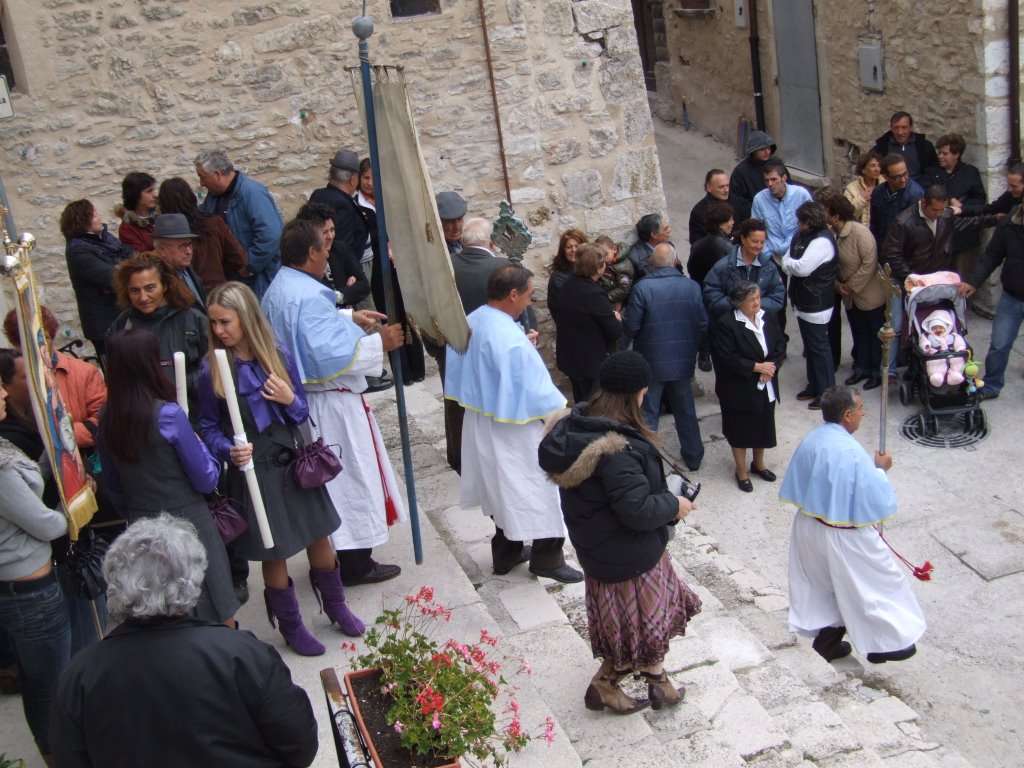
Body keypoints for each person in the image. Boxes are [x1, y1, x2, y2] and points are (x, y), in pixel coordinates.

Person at [51, 514, 318, 768]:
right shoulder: (243, 653)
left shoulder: (79, 675)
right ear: (192, 579)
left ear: (114, 579)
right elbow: (301, 747)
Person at [198, 282, 363, 654]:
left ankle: (336, 607)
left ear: (247, 317)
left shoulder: (278, 355)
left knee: (319, 534)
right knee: (275, 552)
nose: (219, 331)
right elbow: (206, 427)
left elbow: (302, 413)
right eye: (214, 324)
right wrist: (228, 449)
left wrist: (289, 398)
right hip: (254, 472)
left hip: (294, 464)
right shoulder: (211, 372)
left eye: (225, 321)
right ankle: (291, 627)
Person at [538, 351, 701, 713]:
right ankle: (633, 684)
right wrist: (676, 506)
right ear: (634, 394)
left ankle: (628, 687)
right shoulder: (617, 450)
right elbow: (638, 511)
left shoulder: (580, 425)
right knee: (645, 625)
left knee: (625, 627)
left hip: (599, 548)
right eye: (643, 392)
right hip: (628, 553)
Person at [262, 219, 405, 587]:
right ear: (310, 253)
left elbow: (302, 329)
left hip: (311, 402)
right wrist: (380, 344)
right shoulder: (307, 295)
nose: (329, 253)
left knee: (332, 483)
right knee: (348, 479)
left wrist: (348, 317)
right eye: (324, 247)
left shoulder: (281, 286)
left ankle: (338, 556)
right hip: (330, 404)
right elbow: (325, 355)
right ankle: (355, 562)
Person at [445, 263, 582, 583]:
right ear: (512, 294)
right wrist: (562, 418)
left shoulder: (473, 319)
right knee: (540, 489)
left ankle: (506, 553)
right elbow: (536, 391)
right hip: (516, 430)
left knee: (500, 490)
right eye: (529, 296)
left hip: (483, 422)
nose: (530, 303)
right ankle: (547, 558)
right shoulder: (511, 339)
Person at [99, 329, 238, 625]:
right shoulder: (168, 415)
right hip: (189, 520)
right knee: (215, 603)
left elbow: (112, 482)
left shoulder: (106, 415)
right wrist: (202, 447)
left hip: (140, 525)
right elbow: (206, 479)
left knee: (161, 611)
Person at [781, 386, 926, 664]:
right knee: (876, 585)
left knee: (829, 588)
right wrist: (881, 469)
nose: (863, 413)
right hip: (843, 536)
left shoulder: (813, 438)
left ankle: (829, 644)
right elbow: (874, 499)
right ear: (847, 415)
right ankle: (887, 645)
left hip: (809, 528)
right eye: (860, 409)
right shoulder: (849, 451)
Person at [0, 363, 71, 763]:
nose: (5, 394)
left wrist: (57, 446)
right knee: (47, 683)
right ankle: (56, 754)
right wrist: (74, 508)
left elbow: (35, 477)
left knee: (42, 678)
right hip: (27, 588)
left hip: (25, 583)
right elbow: (44, 524)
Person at [881, 185, 997, 379]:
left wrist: (995, 220)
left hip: (933, 278)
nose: (939, 214)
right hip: (906, 279)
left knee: (935, 319)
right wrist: (912, 277)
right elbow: (891, 254)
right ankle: (889, 371)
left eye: (942, 210)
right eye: (934, 210)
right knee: (895, 326)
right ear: (923, 203)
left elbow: (966, 223)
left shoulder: (945, 215)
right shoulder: (903, 222)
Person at [623, 243, 708, 471]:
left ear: (652, 263)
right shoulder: (691, 287)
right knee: (685, 410)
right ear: (675, 260)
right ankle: (694, 456)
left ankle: (647, 460)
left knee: (648, 415)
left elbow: (631, 326)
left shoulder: (642, 288)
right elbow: (702, 323)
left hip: (650, 362)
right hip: (682, 360)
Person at [442, 217, 511, 474]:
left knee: (457, 401)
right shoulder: (502, 267)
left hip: (456, 344)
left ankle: (459, 458)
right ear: (490, 241)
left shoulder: (446, 266)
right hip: (494, 344)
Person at [109, 252, 208, 418]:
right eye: (135, 290)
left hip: (192, 415)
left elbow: (214, 370)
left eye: (150, 288)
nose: (143, 297)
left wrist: (183, 383)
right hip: (143, 418)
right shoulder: (123, 324)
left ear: (165, 285)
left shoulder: (193, 320)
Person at [712, 281, 784, 492]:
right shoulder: (727, 324)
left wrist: (770, 368)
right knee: (740, 429)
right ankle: (741, 470)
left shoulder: (768, 316)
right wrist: (756, 367)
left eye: (758, 298)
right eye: (751, 299)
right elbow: (727, 357)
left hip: (766, 382)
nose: (756, 302)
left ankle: (758, 464)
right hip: (739, 386)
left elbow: (780, 344)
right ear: (739, 302)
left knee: (763, 424)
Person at [195, 148, 283, 299]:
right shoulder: (213, 198)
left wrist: (248, 264)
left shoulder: (252, 193)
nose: (201, 183)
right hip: (235, 279)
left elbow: (271, 235)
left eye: (203, 177)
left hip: (256, 280)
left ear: (217, 174)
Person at [821, 194, 887, 390]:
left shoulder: (860, 233)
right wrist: (837, 285)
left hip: (869, 294)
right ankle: (862, 367)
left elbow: (869, 263)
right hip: (850, 296)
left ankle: (877, 371)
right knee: (859, 332)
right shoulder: (831, 233)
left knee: (875, 334)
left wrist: (849, 286)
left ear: (835, 215)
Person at [959, 205, 1024, 400]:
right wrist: (973, 281)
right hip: (1012, 296)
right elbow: (992, 255)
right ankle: (991, 386)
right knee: (999, 343)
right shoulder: (1010, 223)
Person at [61, 199, 134, 361]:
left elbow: (132, 255)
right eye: (94, 215)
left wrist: (123, 266)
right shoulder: (78, 251)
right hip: (105, 325)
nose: (100, 216)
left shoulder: (106, 239)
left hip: (122, 315)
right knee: (118, 371)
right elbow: (113, 277)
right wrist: (123, 269)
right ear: (82, 221)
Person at [781, 202, 838, 410]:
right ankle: (814, 385)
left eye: (800, 221)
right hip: (803, 299)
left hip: (817, 302)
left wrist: (790, 265)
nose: (797, 224)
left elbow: (802, 268)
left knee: (819, 348)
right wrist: (791, 265)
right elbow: (788, 259)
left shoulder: (822, 241)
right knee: (811, 347)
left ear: (809, 222)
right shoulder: (801, 236)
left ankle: (827, 393)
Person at [555, 243, 623, 403]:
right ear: (599, 267)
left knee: (583, 406)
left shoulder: (569, 284)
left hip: (573, 359)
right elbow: (614, 331)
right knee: (594, 412)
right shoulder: (593, 293)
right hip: (590, 364)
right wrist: (616, 318)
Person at [158, 176, 248, 293]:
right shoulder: (214, 223)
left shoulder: (169, 236)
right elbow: (238, 259)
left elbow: (238, 259)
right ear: (191, 198)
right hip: (218, 292)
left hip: (189, 296)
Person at [923, 133, 988, 277]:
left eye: (945, 153)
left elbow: (979, 198)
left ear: (956, 154)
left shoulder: (970, 172)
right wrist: (950, 199)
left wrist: (961, 208)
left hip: (962, 232)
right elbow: (927, 192)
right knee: (938, 277)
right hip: (937, 234)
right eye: (939, 153)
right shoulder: (931, 173)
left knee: (961, 276)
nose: (940, 156)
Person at [702, 219, 786, 323]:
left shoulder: (769, 268)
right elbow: (711, 295)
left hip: (760, 325)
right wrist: (739, 305)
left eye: (762, 242)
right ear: (743, 239)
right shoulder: (722, 267)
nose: (759, 246)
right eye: (755, 241)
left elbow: (777, 298)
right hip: (731, 326)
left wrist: (753, 305)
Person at [294, 202, 371, 310]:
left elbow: (364, 285)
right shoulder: (304, 259)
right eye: (324, 232)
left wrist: (340, 295)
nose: (330, 236)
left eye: (332, 230)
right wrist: (347, 291)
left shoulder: (340, 248)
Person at [687, 201, 734, 372]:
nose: (732, 223)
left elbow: (691, 267)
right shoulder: (727, 247)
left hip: (701, 289)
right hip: (720, 294)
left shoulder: (698, 245)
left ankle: (705, 353)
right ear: (721, 223)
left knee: (705, 323)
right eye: (730, 219)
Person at [152, 212, 208, 310]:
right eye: (182, 246)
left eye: (190, 244)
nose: (189, 251)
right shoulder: (157, 281)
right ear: (162, 250)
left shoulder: (187, 270)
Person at [869, 154, 924, 248]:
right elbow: (874, 223)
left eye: (905, 174)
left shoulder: (915, 194)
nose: (903, 180)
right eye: (897, 177)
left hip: (903, 250)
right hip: (881, 245)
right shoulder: (878, 192)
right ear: (886, 177)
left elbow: (916, 232)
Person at [873, 111, 939, 185]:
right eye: (896, 128)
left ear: (910, 128)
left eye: (904, 127)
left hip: (919, 189)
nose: (900, 132)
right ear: (891, 128)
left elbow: (934, 170)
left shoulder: (924, 147)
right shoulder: (881, 148)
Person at [688, 169, 749, 243]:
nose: (726, 190)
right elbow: (697, 242)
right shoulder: (698, 212)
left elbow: (747, 228)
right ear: (709, 188)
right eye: (721, 187)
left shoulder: (738, 203)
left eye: (727, 185)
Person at [546, 228, 588, 324]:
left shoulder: (591, 269)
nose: (574, 250)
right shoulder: (558, 278)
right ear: (563, 251)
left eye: (577, 246)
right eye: (569, 247)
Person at [918, 309, 967, 386]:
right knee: (934, 363)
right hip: (936, 355)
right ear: (930, 329)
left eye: (941, 327)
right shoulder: (928, 336)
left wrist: (960, 348)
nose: (938, 330)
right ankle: (937, 376)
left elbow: (959, 341)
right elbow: (923, 341)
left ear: (946, 328)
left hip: (952, 354)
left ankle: (955, 375)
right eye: (934, 328)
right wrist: (926, 345)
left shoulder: (952, 336)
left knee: (958, 360)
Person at [730, 130, 777, 206]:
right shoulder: (741, 172)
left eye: (768, 148)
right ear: (754, 151)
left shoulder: (776, 163)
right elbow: (736, 199)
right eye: (762, 149)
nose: (767, 152)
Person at [115, 171, 158, 253]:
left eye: (153, 190)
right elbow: (143, 259)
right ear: (136, 195)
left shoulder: (163, 215)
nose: (154, 195)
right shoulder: (127, 230)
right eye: (149, 191)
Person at [843, 150, 883, 228]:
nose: (877, 169)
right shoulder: (851, 188)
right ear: (863, 170)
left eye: (879, 166)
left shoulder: (885, 186)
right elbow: (846, 214)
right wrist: (861, 199)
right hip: (860, 231)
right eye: (873, 166)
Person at [594, 234, 634, 310]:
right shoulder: (606, 261)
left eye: (606, 254)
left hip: (611, 301)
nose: (603, 258)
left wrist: (605, 297)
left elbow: (623, 290)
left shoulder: (623, 267)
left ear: (614, 249)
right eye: (600, 255)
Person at [437, 190, 468, 255]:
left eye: (459, 219)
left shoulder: (467, 242)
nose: (456, 227)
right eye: (449, 222)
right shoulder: (438, 251)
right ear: (438, 222)